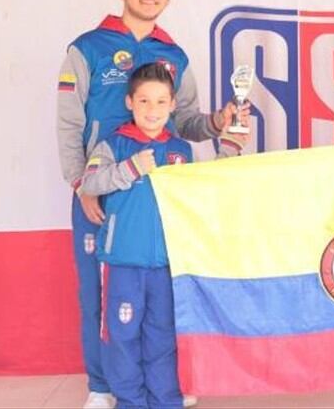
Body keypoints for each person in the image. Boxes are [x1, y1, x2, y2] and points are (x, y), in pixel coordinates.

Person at [57, 0, 246, 408]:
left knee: (160, 300)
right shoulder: (87, 48)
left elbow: (185, 125)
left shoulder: (174, 55)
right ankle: (102, 388)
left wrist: (218, 123)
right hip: (99, 192)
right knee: (99, 297)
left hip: (155, 205)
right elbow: (68, 123)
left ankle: (164, 385)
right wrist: (81, 184)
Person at [80, 63, 224, 408]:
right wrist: (130, 169)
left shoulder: (180, 150)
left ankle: (165, 401)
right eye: (144, 101)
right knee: (123, 336)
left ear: (174, 105)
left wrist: (230, 145)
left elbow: (204, 190)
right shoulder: (112, 145)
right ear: (129, 102)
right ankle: (129, 401)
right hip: (122, 263)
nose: (152, 110)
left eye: (161, 102)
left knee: (162, 337)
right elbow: (90, 183)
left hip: (166, 266)